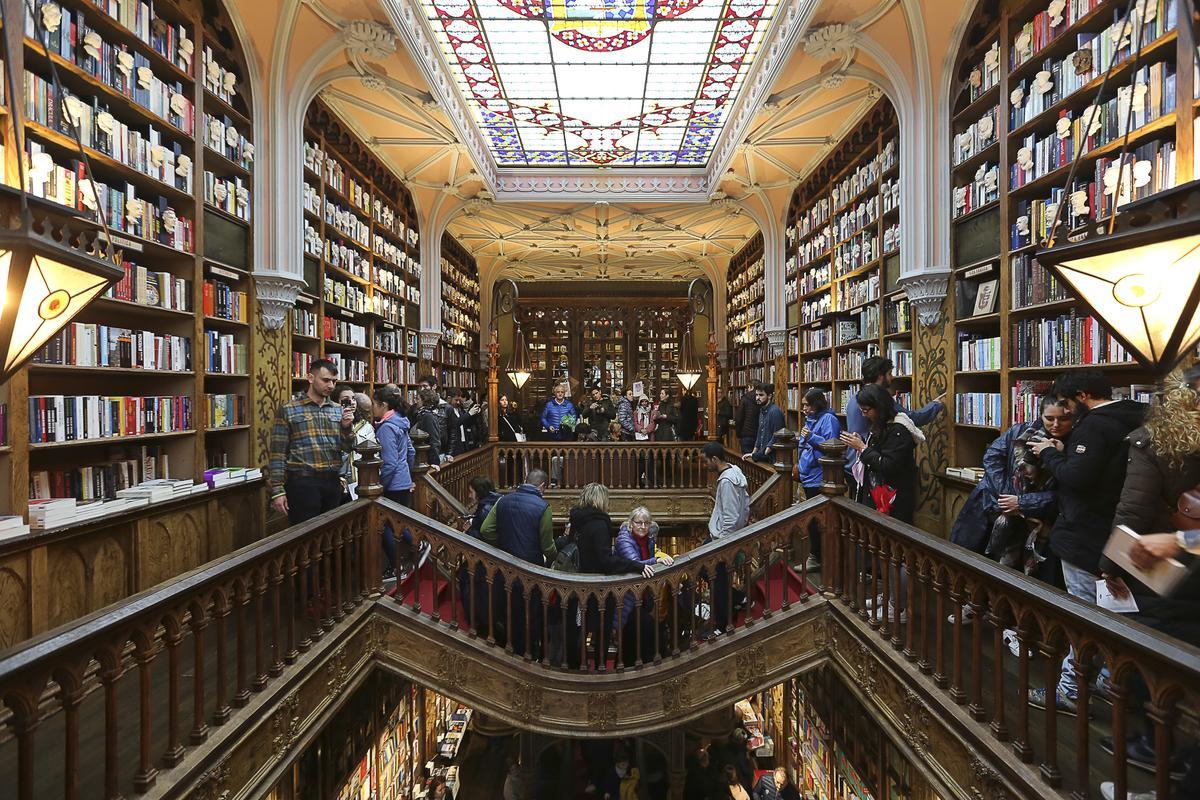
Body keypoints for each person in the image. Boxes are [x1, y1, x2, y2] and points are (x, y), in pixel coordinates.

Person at [1094, 366, 1200, 784]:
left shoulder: (1154, 441)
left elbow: (1133, 512)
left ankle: (1158, 746)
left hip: (1162, 561)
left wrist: (1109, 565)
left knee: (1149, 652)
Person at [1027, 368, 1145, 715]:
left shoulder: (1095, 424)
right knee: (1113, 614)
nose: (1063, 412)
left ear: (1081, 396)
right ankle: (1109, 681)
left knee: (1084, 617)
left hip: (1085, 532)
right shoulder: (1136, 417)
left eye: (1065, 403)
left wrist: (1050, 452)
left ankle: (1070, 691)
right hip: (1121, 531)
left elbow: (1077, 478)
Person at [951, 395, 1072, 579]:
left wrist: (1022, 503)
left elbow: (1067, 492)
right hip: (993, 507)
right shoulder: (1020, 431)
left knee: (1021, 581)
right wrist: (1007, 496)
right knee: (976, 566)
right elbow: (992, 457)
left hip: (1037, 523)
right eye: (1049, 418)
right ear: (1040, 416)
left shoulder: (1071, 445)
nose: (1056, 424)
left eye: (1063, 419)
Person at [571, 483, 654, 668]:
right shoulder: (599, 523)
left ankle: (576, 667)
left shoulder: (578, 520)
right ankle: (599, 669)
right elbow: (605, 559)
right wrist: (636, 566)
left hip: (580, 582)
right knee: (601, 630)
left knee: (582, 627)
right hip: (599, 584)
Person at [268, 358, 355, 525]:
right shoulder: (289, 409)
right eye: (326, 380)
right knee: (304, 537)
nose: (331, 386)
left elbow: (347, 448)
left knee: (330, 536)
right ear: (310, 378)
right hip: (302, 482)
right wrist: (278, 491)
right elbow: (277, 453)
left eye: (334, 381)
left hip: (332, 481)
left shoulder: (338, 410)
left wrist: (346, 427)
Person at [480, 468, 555, 656]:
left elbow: (486, 530)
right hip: (531, 572)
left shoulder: (502, 500)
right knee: (530, 616)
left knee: (508, 613)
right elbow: (547, 547)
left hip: (504, 569)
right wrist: (556, 558)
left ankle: (509, 652)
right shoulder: (543, 507)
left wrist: (505, 543)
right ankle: (530, 655)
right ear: (542, 486)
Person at [844, 355, 944, 474]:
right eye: (889, 373)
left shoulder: (854, 398)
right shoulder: (878, 399)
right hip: (868, 465)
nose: (892, 377)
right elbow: (913, 419)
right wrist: (936, 405)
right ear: (881, 376)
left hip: (854, 462)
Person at [840, 384, 921, 523]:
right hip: (877, 494)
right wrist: (862, 443)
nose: (863, 414)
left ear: (879, 407)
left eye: (866, 410)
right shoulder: (880, 424)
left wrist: (862, 448)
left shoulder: (898, 430)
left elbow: (888, 465)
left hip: (892, 500)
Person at [615, 506, 675, 664]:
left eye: (646, 523)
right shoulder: (623, 539)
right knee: (641, 631)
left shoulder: (648, 540)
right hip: (625, 597)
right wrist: (657, 561)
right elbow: (636, 564)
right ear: (631, 523)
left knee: (643, 633)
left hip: (642, 596)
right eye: (639, 523)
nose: (643, 527)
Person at [703, 441, 750, 636]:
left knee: (717, 581)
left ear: (715, 459)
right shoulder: (733, 472)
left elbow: (730, 516)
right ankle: (739, 598)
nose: (704, 465)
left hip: (723, 540)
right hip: (722, 537)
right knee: (710, 574)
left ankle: (722, 625)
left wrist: (720, 543)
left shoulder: (728, 482)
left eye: (706, 461)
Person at [796, 388, 841, 570]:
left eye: (807, 405)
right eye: (803, 405)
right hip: (808, 474)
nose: (804, 409)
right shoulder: (811, 420)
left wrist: (810, 437)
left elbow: (831, 445)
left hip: (819, 476)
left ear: (816, 404)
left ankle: (818, 557)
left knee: (818, 520)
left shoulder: (829, 419)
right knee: (812, 519)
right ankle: (815, 555)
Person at [340, 391, 378, 502]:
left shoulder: (366, 426)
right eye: (346, 400)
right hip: (338, 479)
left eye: (353, 399)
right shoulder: (332, 424)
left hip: (360, 479)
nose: (351, 403)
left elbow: (374, 454)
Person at [744, 382, 785, 463]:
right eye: (756, 395)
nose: (757, 398)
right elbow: (760, 434)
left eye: (761, 395)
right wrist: (753, 453)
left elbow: (777, 436)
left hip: (772, 457)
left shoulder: (774, 412)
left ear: (769, 396)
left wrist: (764, 453)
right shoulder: (762, 410)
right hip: (763, 455)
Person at [412, 388, 446, 466]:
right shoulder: (421, 414)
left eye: (418, 399)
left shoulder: (428, 416)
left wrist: (434, 462)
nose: (416, 401)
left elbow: (434, 439)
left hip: (427, 459)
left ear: (425, 401)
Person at [733, 380, 761, 455]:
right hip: (759, 434)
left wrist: (738, 433)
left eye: (747, 388)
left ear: (750, 387)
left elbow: (739, 418)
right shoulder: (762, 399)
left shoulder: (745, 399)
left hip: (746, 434)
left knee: (746, 460)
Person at [446, 388, 474, 457]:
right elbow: (455, 423)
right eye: (456, 400)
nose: (458, 402)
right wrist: (469, 414)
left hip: (464, 443)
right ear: (449, 398)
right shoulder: (447, 410)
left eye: (459, 400)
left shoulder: (460, 408)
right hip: (454, 446)